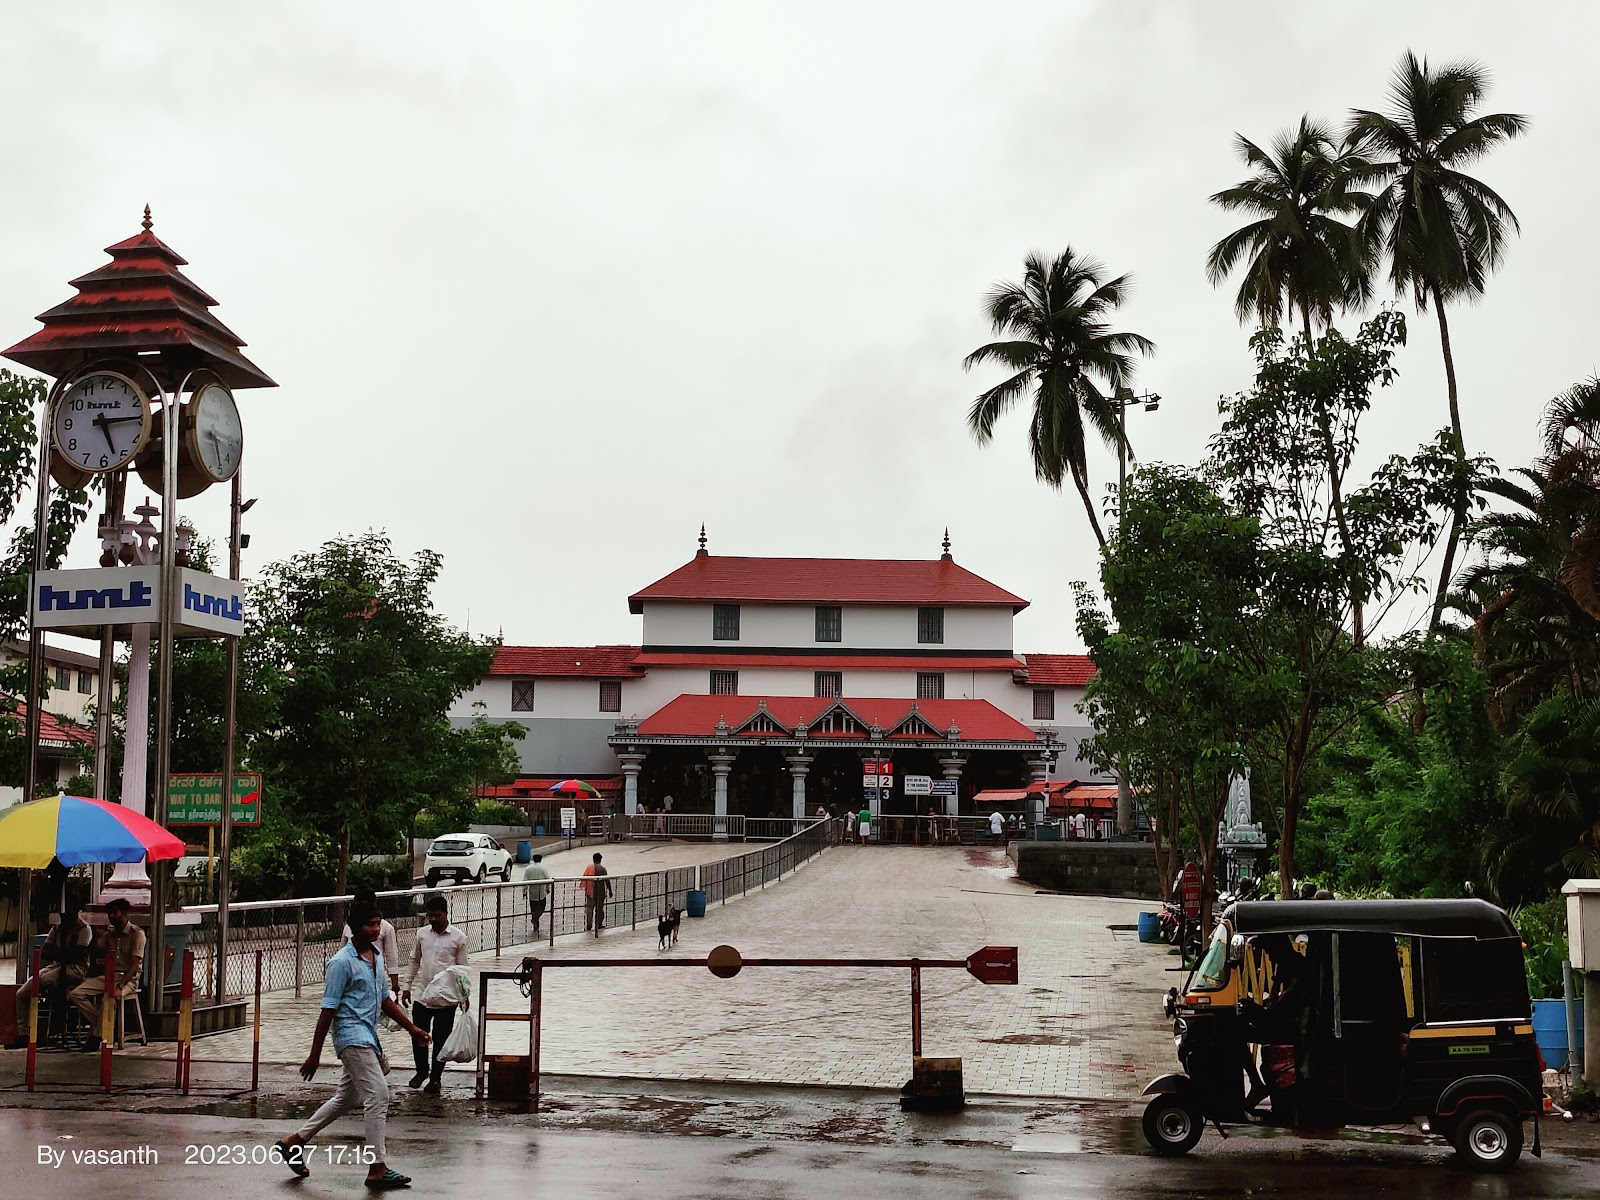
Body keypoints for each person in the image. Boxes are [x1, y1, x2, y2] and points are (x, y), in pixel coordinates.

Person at [273, 902, 429, 1189]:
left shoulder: (376, 957)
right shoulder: (341, 963)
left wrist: (413, 1029)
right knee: (379, 1096)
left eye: (379, 923)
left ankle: (294, 1142)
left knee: (346, 1098)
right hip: (350, 1038)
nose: (376, 929)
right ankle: (377, 1167)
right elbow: (327, 1010)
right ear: (356, 927)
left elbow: (385, 1001)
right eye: (371, 924)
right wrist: (314, 1054)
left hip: (368, 1035)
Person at [400, 894, 469, 1094]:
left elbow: (463, 970)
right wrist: (407, 986)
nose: (433, 919)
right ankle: (421, 1071)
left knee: (441, 1039)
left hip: (446, 998)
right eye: (430, 916)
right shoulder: (422, 934)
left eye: (437, 915)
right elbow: (414, 961)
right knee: (417, 1033)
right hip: (423, 994)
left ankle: (435, 1078)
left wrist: (464, 996)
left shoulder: (458, 938)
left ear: (446, 914)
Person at [7, 905, 92, 1047]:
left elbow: (77, 955)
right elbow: (45, 952)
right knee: (22, 993)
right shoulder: (57, 929)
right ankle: (24, 1034)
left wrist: (59, 953)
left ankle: (56, 1021)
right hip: (57, 965)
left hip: (77, 968)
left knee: (46, 980)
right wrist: (61, 954)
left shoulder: (84, 929)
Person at [69, 898, 145, 1051]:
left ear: (123, 913)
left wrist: (121, 985)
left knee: (108, 997)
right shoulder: (110, 934)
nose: (111, 916)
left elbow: (135, 964)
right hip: (109, 975)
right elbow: (96, 949)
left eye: (114, 913)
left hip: (127, 978)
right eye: (109, 913)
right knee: (76, 994)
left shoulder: (136, 934)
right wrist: (98, 937)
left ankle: (96, 1037)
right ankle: (104, 1023)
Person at [342, 888, 401, 996]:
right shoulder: (348, 928)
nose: (375, 929)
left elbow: (391, 958)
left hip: (376, 981)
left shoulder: (386, 929)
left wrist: (395, 987)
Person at [521, 853, 552, 933]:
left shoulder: (528, 868)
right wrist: (547, 888)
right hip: (541, 892)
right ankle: (535, 919)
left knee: (533, 908)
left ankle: (535, 922)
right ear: (541, 859)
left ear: (533, 859)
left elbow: (524, 881)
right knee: (542, 907)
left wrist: (524, 891)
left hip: (532, 893)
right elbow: (548, 879)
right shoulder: (543, 868)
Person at [581, 852, 611, 933]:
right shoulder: (602, 869)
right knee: (599, 909)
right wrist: (610, 891)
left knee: (589, 909)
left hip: (590, 892)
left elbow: (584, 878)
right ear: (600, 860)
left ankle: (589, 925)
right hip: (600, 892)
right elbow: (607, 880)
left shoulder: (589, 868)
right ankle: (599, 924)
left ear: (593, 859)